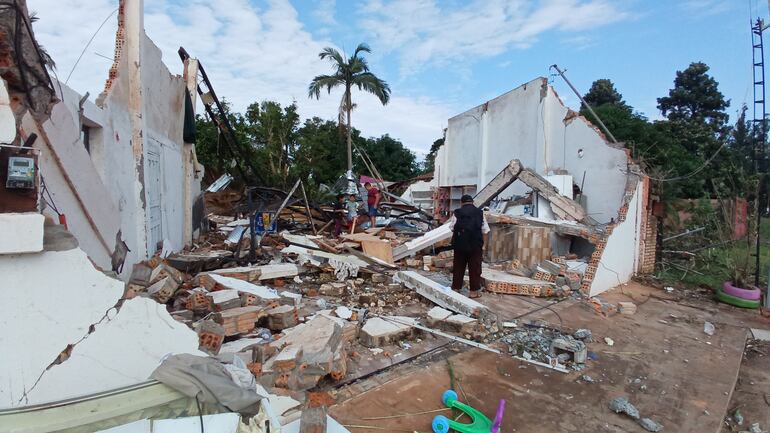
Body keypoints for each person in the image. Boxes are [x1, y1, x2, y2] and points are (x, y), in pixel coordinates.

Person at [448, 194, 490, 299]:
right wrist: (483, 245)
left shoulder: (457, 212)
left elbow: (452, 227)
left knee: (458, 267)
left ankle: (456, 288)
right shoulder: (480, 213)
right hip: (475, 245)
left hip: (460, 245)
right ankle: (473, 292)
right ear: (472, 202)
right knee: (475, 268)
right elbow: (485, 230)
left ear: (461, 202)